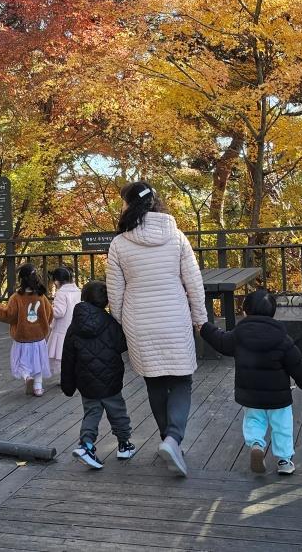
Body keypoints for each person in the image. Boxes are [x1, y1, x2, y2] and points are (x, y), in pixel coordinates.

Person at [105, 181, 206, 477]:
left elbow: (115, 293)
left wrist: (125, 323)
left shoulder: (119, 244)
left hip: (140, 320)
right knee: (182, 379)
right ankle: (174, 439)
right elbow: (193, 283)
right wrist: (200, 319)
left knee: (155, 382)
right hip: (175, 316)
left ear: (130, 205)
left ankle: (168, 440)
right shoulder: (177, 238)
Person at [198, 290, 302, 475]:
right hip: (279, 396)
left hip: (250, 394)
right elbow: (296, 363)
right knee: (282, 425)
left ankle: (256, 444)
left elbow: (221, 341)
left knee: (253, 420)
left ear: (245, 312)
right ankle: (284, 460)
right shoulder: (282, 338)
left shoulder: (239, 335)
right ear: (273, 313)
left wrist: (205, 328)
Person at [61, 281, 135, 469]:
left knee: (92, 413)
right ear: (106, 301)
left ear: (84, 298)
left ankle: (86, 444)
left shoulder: (74, 327)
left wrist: (68, 385)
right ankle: (124, 444)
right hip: (110, 379)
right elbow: (122, 345)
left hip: (86, 382)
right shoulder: (110, 323)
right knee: (117, 411)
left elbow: (68, 357)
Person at [0, 263, 54, 396]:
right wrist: (44, 326)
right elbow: (50, 313)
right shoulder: (41, 296)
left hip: (22, 337)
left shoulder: (16, 297)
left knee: (21, 361)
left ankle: (26, 377)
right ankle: (38, 387)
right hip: (38, 337)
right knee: (38, 362)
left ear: (21, 279)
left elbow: (9, 315)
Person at [47, 267, 81, 369]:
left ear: (56, 281)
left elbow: (59, 312)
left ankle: (63, 377)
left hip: (61, 329)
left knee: (61, 355)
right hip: (75, 327)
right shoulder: (77, 291)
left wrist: (48, 309)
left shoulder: (61, 293)